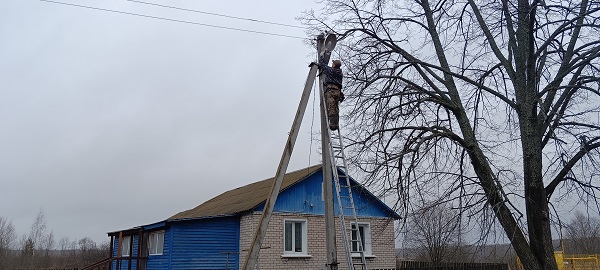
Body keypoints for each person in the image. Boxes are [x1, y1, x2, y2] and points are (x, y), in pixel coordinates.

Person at [310, 58, 344, 130]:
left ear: (334, 65)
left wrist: (321, 58)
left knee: (331, 106)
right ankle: (336, 123)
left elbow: (324, 66)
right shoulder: (340, 73)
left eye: (333, 63)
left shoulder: (331, 70)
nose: (332, 64)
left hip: (331, 90)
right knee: (336, 108)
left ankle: (333, 125)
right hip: (338, 92)